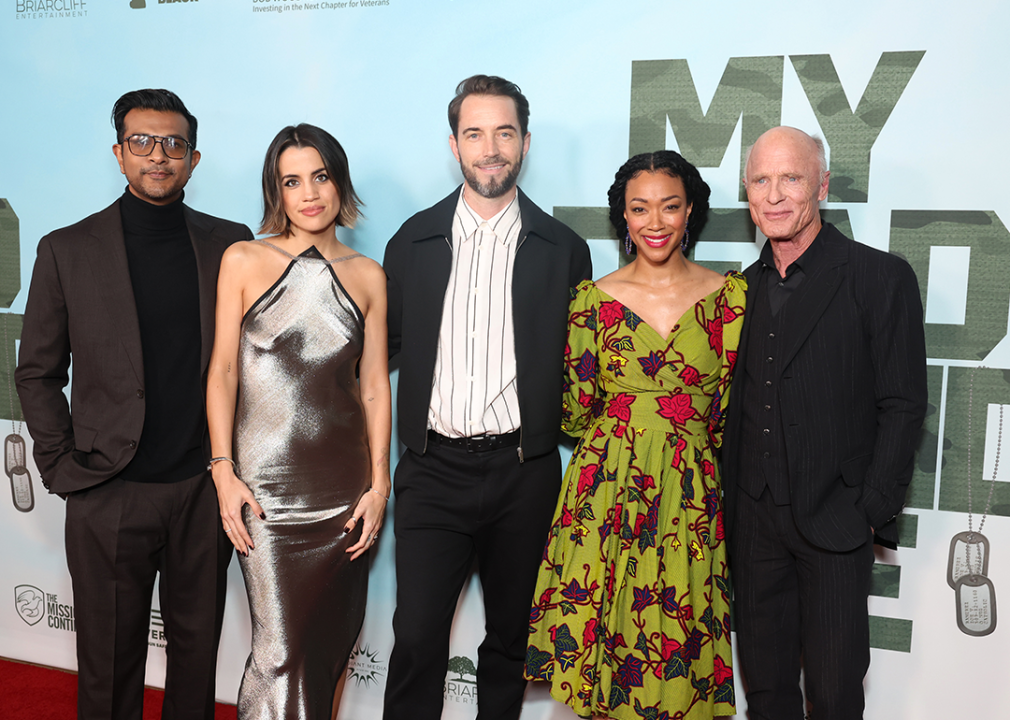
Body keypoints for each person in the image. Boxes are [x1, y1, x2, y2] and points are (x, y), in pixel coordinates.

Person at [15, 89, 251, 720]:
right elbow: (37, 372)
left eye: (173, 144)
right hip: (108, 488)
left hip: (203, 490)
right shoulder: (67, 249)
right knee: (108, 666)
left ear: (193, 159)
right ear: (119, 154)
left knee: (197, 661)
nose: (158, 156)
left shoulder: (231, 245)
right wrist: (65, 469)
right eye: (142, 142)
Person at [382, 74, 592, 720]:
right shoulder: (411, 242)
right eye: (475, 133)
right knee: (417, 637)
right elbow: (375, 357)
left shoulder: (564, 250)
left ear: (524, 142)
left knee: (510, 639)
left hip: (523, 473)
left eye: (504, 133)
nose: (491, 148)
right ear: (455, 144)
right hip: (432, 470)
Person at [524, 151, 745, 719]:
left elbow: (730, 413)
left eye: (670, 207)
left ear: (690, 211)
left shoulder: (733, 301)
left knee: (680, 639)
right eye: (639, 208)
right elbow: (576, 411)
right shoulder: (591, 303)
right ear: (622, 217)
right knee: (610, 645)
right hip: (608, 495)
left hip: (689, 499)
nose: (655, 222)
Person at [722, 126, 928, 720]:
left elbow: (902, 403)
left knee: (836, 695)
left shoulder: (878, 277)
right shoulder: (740, 290)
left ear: (821, 184)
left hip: (835, 523)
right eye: (761, 180)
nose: (776, 194)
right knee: (765, 692)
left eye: (791, 177)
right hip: (754, 525)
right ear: (747, 191)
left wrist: (868, 509)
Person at [205, 123, 390, 720]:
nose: (309, 193)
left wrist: (380, 483)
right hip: (265, 494)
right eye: (292, 181)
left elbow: (372, 390)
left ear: (339, 183)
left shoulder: (368, 275)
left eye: (320, 176)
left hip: (343, 494)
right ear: (276, 192)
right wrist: (223, 471)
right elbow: (223, 374)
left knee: (327, 648)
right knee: (278, 650)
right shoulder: (244, 259)